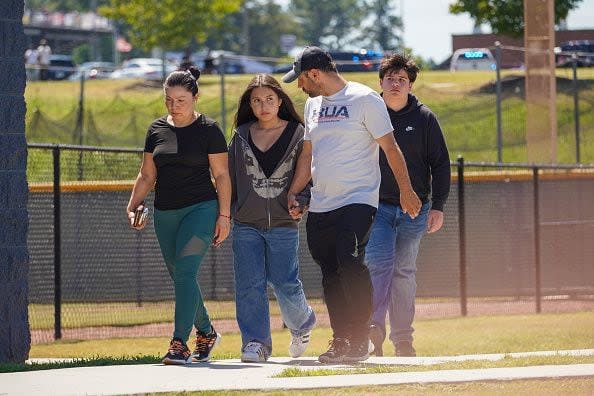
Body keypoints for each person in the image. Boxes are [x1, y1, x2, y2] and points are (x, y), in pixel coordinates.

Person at [282, 46, 421, 363]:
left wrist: (406, 190)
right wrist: (295, 191)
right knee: (330, 271)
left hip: (358, 200)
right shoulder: (312, 105)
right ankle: (342, 339)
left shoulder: (365, 99)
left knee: (349, 262)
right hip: (321, 203)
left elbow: (390, 146)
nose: (300, 86)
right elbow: (308, 154)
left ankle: (361, 338)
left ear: (315, 74)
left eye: (302, 79)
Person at [127, 67, 231, 365]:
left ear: (195, 98)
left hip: (201, 208)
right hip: (165, 212)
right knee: (180, 277)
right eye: (168, 100)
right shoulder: (156, 129)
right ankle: (207, 332)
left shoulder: (209, 130)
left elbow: (222, 175)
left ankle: (179, 344)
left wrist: (224, 216)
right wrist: (133, 203)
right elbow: (147, 174)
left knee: (185, 273)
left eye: (181, 100)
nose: (174, 106)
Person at [365, 54, 451, 357]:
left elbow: (440, 164)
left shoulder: (424, 118)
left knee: (403, 272)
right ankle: (372, 334)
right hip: (375, 209)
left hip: (414, 211)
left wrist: (438, 206)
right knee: (377, 267)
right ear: (381, 82)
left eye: (402, 79)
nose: (396, 83)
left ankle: (403, 340)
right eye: (390, 78)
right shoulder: (368, 112)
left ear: (410, 84)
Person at [229, 74, 316, 363]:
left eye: (269, 99)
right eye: (256, 101)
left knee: (285, 283)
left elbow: (308, 175)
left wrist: (302, 201)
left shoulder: (299, 134)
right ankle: (256, 343)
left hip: (283, 222)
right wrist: (226, 213)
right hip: (245, 224)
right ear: (249, 105)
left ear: (280, 100)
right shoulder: (240, 136)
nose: (263, 105)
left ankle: (302, 324)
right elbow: (228, 179)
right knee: (249, 284)